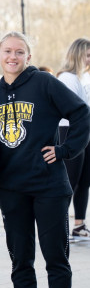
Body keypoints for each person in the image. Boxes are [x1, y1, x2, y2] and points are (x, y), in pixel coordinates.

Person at [0, 32, 89, 288]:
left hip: (49, 186)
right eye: (7, 51)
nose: (13, 57)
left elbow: (81, 113)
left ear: (29, 57)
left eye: (20, 52)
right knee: (21, 259)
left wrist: (65, 150)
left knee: (55, 258)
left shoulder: (45, 84)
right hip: (11, 187)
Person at [56, 38, 90, 239]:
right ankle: (59, 225)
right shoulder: (67, 78)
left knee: (84, 180)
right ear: (76, 54)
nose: (88, 60)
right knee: (69, 181)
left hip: (83, 132)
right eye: (86, 55)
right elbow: (74, 111)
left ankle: (79, 224)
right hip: (69, 133)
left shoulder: (80, 78)